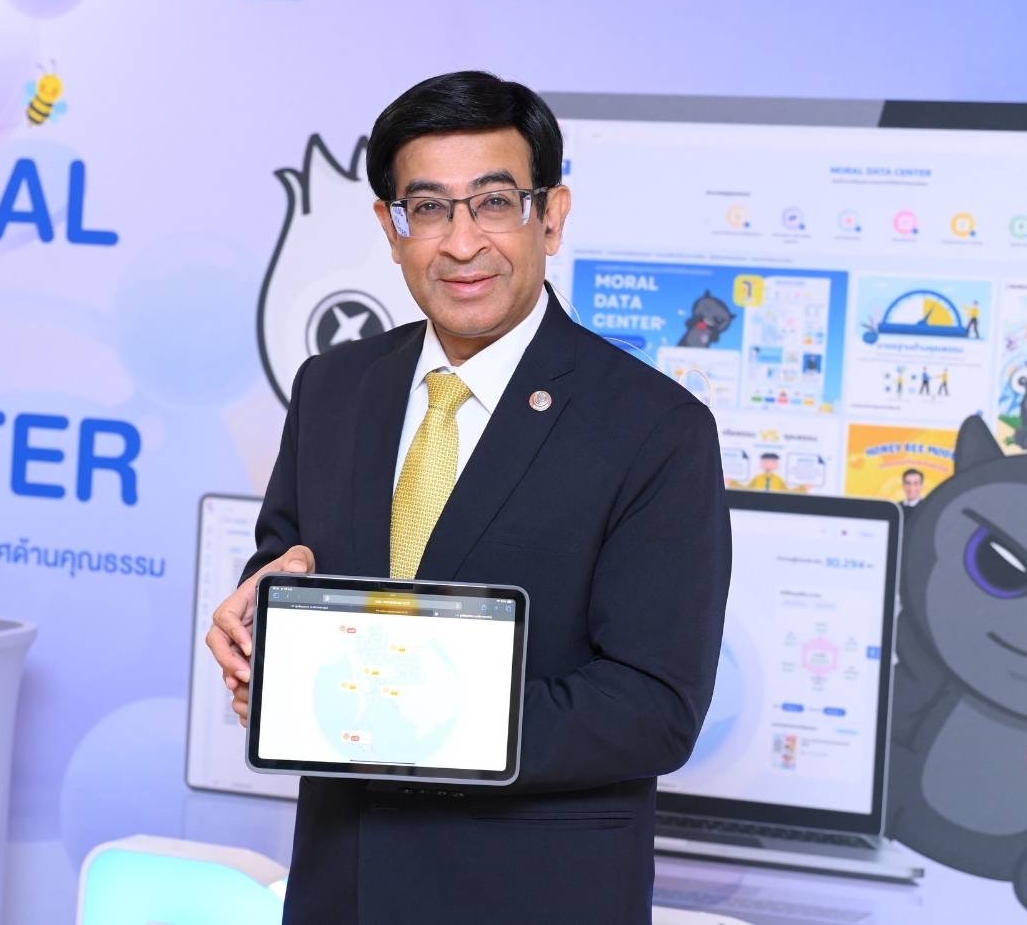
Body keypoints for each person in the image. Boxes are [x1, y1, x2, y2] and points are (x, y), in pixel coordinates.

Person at [206, 71, 731, 924]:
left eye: (494, 203)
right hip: (341, 886)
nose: (461, 243)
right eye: (428, 208)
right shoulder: (334, 387)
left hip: (534, 898)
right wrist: (265, 635)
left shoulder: (654, 428)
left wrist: (417, 714)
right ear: (391, 228)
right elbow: (289, 561)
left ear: (551, 215)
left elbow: (654, 709)